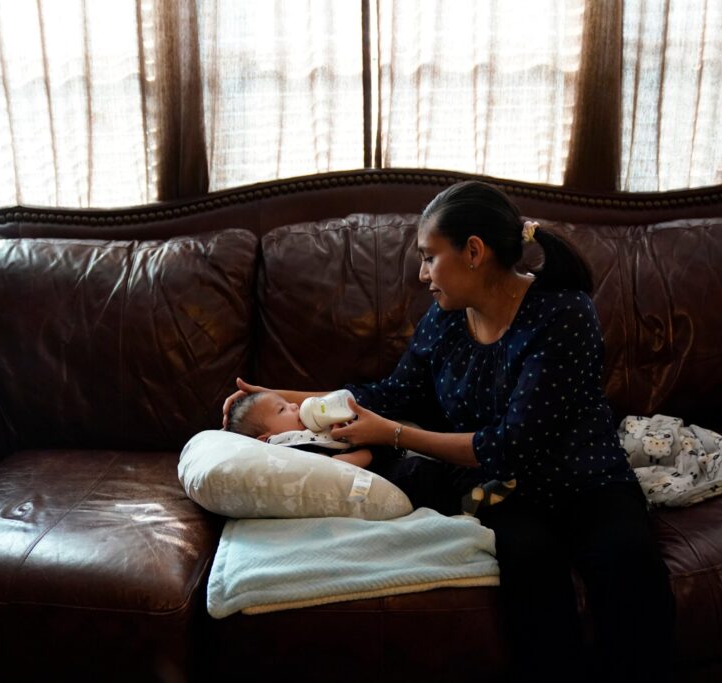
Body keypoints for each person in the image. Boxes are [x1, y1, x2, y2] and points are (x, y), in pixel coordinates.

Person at [222, 181, 676, 682]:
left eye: (429, 257)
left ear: (474, 252)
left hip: (587, 481)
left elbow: (510, 443)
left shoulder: (563, 314)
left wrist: (394, 435)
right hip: (506, 491)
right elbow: (391, 393)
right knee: (530, 564)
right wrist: (276, 397)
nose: (422, 274)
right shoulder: (444, 319)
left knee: (628, 565)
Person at [225, 390, 373, 468]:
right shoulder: (290, 447)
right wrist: (366, 454)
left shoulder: (309, 429)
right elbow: (327, 466)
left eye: (287, 402)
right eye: (282, 409)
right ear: (267, 440)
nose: (295, 405)